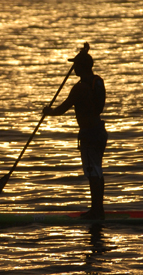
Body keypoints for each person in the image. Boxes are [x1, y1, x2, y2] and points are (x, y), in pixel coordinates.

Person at [43, 48, 108, 219]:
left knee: (93, 173)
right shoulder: (98, 82)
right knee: (97, 171)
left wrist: (48, 112)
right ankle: (98, 209)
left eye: (76, 65)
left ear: (82, 67)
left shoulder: (80, 88)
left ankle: (96, 211)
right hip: (100, 132)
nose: (73, 69)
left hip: (89, 134)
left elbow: (63, 108)